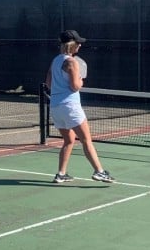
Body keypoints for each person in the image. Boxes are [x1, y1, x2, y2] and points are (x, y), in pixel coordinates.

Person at [45, 29, 115, 183]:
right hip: (70, 106)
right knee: (86, 140)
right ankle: (99, 172)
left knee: (69, 141)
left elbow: (49, 84)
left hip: (56, 107)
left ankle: (61, 174)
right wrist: (81, 80)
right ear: (72, 45)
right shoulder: (72, 62)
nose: (80, 46)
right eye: (78, 43)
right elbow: (75, 86)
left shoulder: (55, 60)